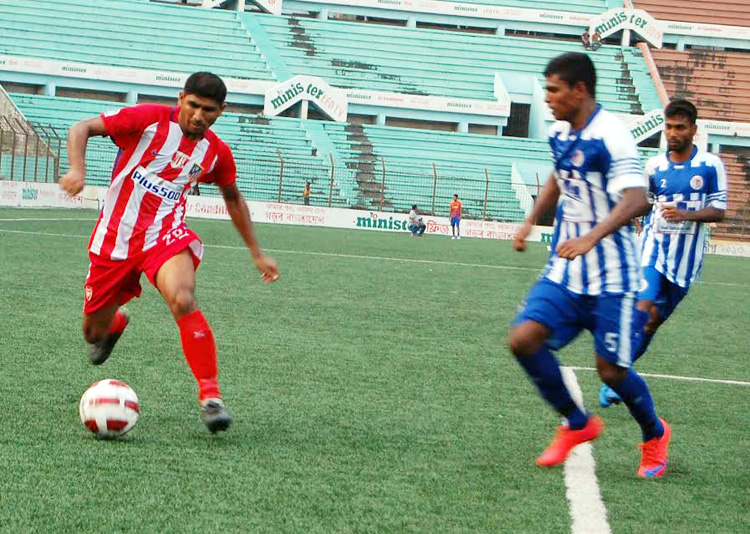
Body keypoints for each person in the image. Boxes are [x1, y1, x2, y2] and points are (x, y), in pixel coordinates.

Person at [59, 72, 279, 434]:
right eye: (192, 105)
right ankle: (113, 324)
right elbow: (81, 128)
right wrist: (77, 170)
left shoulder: (216, 153)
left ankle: (211, 398)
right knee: (91, 333)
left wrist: (257, 252)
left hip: (164, 234)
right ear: (180, 99)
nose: (198, 115)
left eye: (208, 110)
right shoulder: (147, 120)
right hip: (114, 240)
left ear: (221, 111)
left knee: (183, 298)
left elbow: (233, 197)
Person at [509, 52, 671, 478]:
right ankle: (577, 423)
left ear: (579, 90)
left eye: (554, 90)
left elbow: (637, 199)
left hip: (612, 276)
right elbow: (557, 179)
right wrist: (529, 220)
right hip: (566, 269)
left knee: (612, 371)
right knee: (524, 339)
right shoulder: (561, 131)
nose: (547, 98)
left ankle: (654, 434)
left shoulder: (612, 134)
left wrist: (591, 236)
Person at [599, 100, 726, 408]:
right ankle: (615, 374)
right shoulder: (654, 166)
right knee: (641, 307)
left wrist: (685, 214)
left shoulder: (710, 166)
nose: (673, 133)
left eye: (680, 127)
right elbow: (648, 201)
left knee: (652, 322)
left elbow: (718, 211)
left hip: (686, 262)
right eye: (668, 127)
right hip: (653, 251)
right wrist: (627, 214)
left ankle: (621, 373)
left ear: (693, 130)